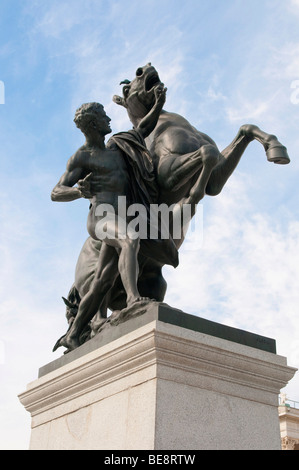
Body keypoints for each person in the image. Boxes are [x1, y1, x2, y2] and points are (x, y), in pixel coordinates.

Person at [52, 84, 178, 351]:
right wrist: (77, 192)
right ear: (94, 124)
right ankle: (133, 300)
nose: (110, 119)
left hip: (122, 215)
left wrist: (157, 104)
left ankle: (73, 333)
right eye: (104, 117)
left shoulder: (118, 147)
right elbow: (56, 191)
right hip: (101, 217)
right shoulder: (82, 157)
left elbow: (143, 128)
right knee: (131, 239)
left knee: (103, 281)